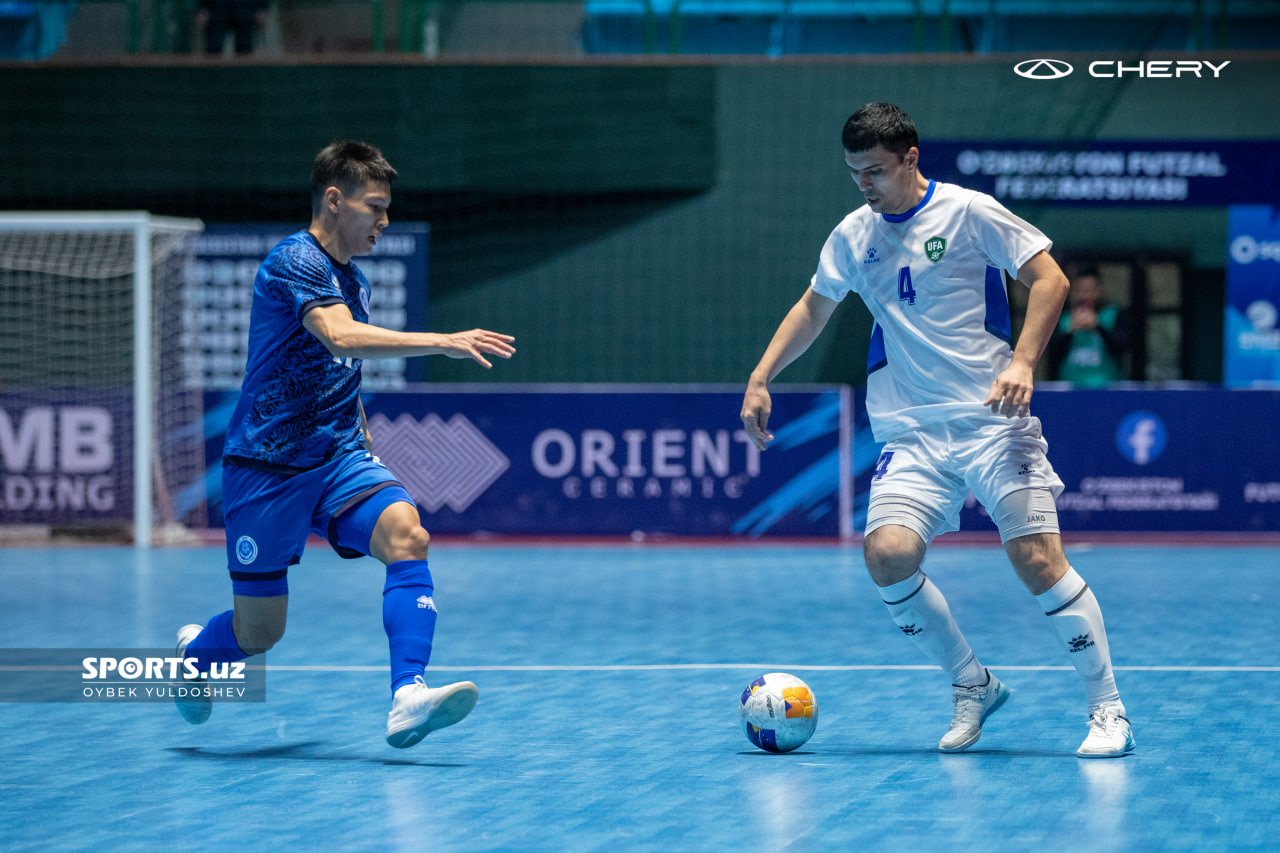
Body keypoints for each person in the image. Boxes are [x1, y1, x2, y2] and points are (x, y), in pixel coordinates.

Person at [740, 103, 1133, 758]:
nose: (864, 185)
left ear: (910, 158)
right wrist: (760, 374)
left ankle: (1108, 710)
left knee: (1036, 558)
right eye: (853, 173)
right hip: (913, 434)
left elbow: (1050, 278)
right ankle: (972, 683)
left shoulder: (969, 212)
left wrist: (1022, 361)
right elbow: (815, 306)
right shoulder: (851, 235)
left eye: (875, 170)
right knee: (887, 555)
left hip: (992, 421)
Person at [174, 140, 516, 748]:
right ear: (335, 201)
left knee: (408, 534)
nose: (384, 222)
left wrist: (360, 435)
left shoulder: (353, 279)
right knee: (260, 634)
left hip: (336, 460)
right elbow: (338, 338)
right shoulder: (294, 260)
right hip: (266, 468)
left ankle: (408, 696)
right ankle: (196, 659)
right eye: (375, 207)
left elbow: (340, 369)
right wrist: (441, 339)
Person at [1047, 264, 1131, 387]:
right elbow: (1051, 352)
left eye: (1089, 290)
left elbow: (1122, 347)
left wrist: (1098, 326)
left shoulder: (1114, 314)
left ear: (1100, 289)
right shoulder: (1062, 317)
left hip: (1108, 389)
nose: (1085, 295)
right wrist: (1070, 331)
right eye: (1080, 290)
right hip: (1069, 390)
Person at [197, 0, 268, 56]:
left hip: (245, 8)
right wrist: (201, 7)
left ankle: (244, 74)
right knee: (213, 48)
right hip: (217, 8)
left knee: (245, 49)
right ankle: (212, 74)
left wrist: (262, 6)